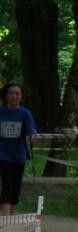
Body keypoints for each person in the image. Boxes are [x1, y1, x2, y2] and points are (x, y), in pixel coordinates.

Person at [0, 83, 37, 216]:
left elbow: (31, 129)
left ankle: (11, 215)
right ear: (6, 96)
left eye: (17, 94)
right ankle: (5, 218)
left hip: (19, 155)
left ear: (21, 97)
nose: (14, 96)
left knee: (15, 186)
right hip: (2, 154)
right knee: (7, 183)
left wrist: (31, 136)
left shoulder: (25, 113)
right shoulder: (1, 112)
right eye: (11, 93)